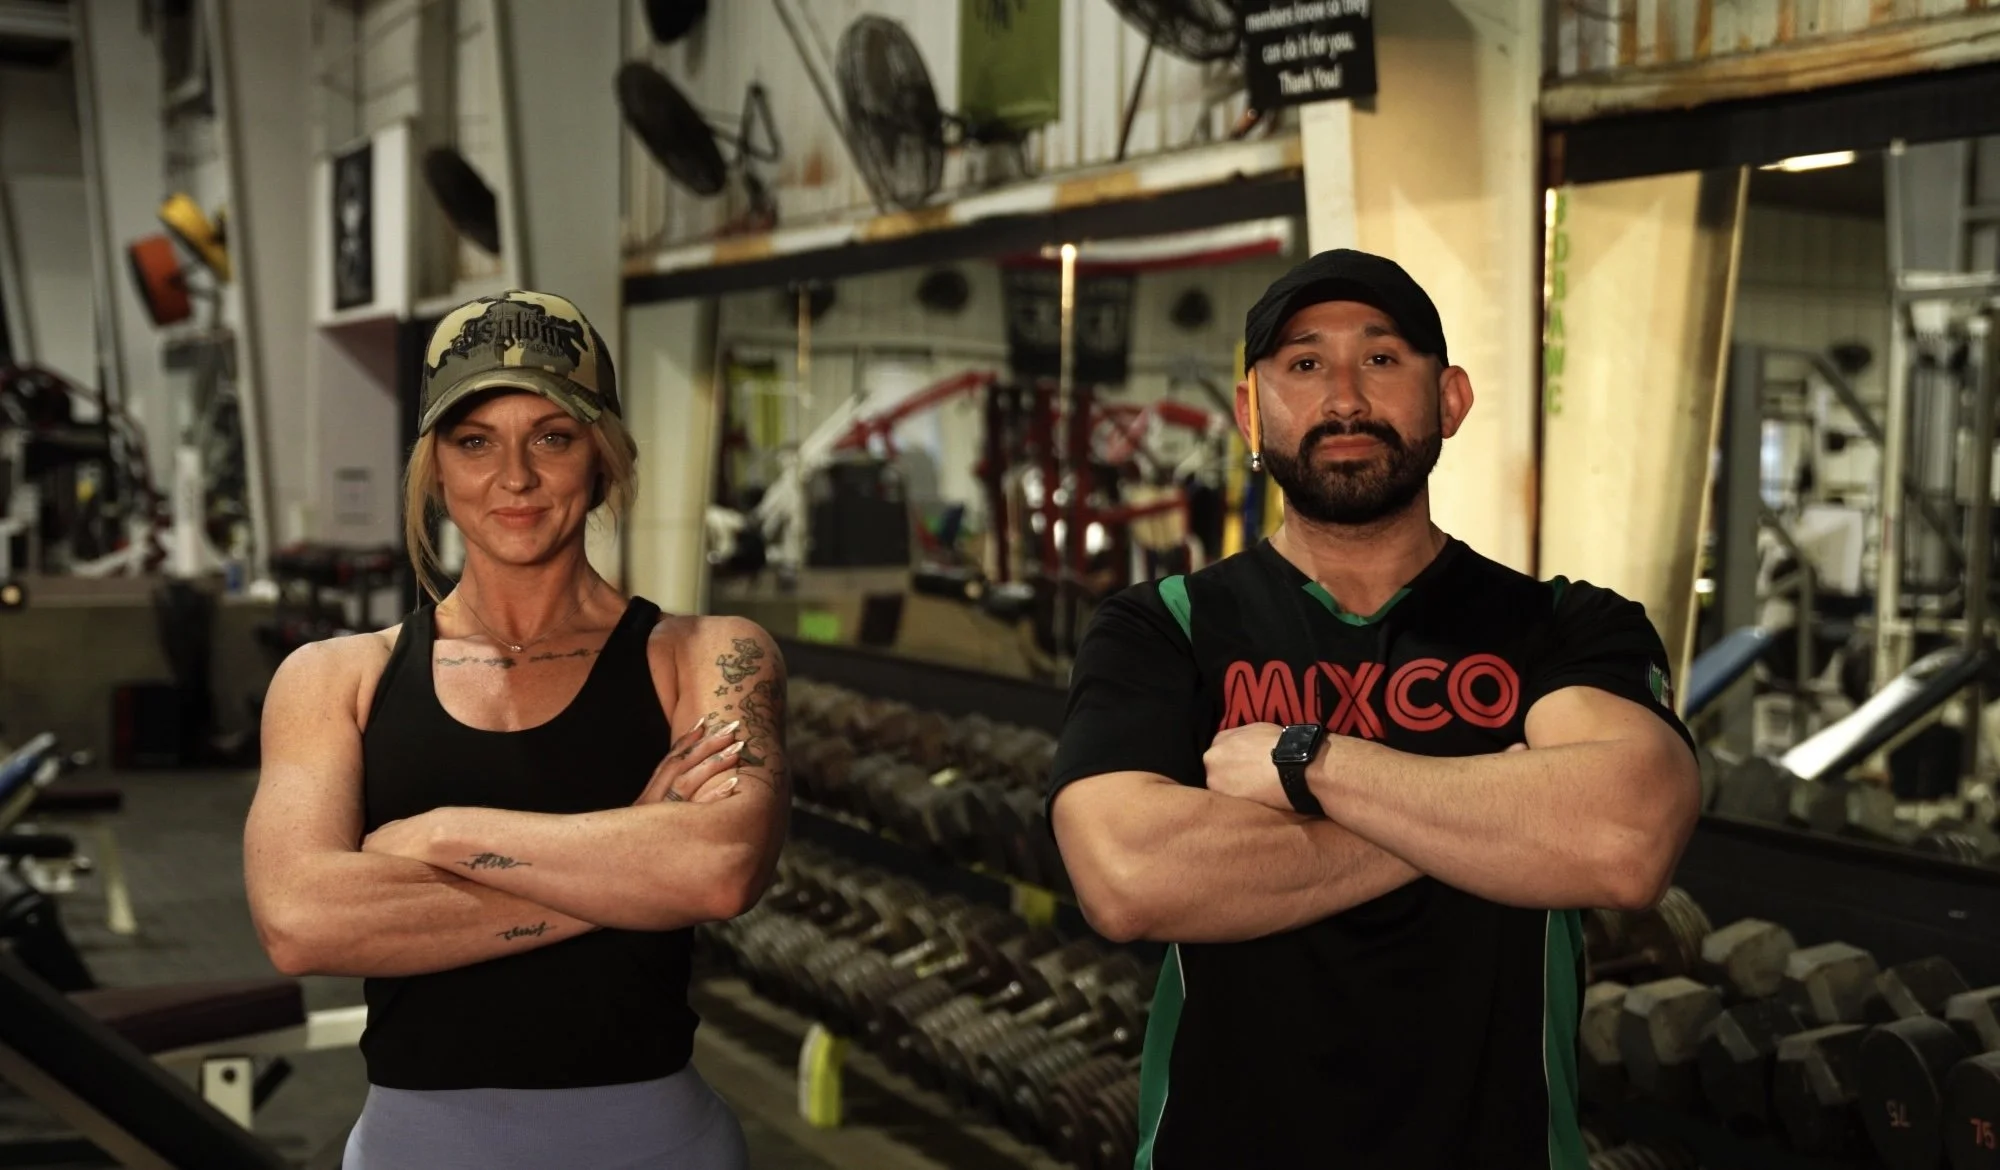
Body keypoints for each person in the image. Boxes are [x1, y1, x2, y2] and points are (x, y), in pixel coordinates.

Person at [1047, 250, 1701, 1170]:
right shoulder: (1166, 628)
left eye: (1384, 360)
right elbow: (1126, 878)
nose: (1345, 398)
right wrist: (1503, 804)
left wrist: (1306, 766)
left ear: (1452, 401)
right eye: (1305, 365)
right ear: (1250, 412)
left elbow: (1624, 842)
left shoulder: (1564, 625)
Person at [244, 290, 786, 1170]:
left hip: (656, 1145)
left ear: (601, 458)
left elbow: (717, 869)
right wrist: (626, 867)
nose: (516, 477)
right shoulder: (332, 678)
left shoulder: (709, 656)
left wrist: (440, 836)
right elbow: (301, 922)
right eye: (475, 441)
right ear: (437, 469)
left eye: (552, 436)